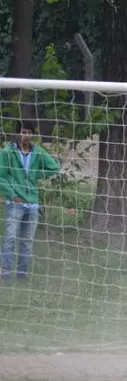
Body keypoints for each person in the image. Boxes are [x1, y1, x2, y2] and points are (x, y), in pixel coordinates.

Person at [0, 120, 59, 280]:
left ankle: (22, 274)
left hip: (33, 203)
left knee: (27, 241)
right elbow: (1, 177)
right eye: (23, 132)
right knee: (10, 237)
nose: (26, 135)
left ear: (33, 134)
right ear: (18, 133)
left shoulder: (38, 152)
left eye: (29, 132)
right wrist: (12, 195)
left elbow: (54, 167)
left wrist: (34, 175)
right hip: (15, 203)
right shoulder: (7, 152)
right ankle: (4, 272)